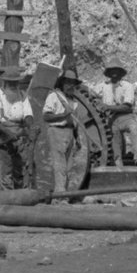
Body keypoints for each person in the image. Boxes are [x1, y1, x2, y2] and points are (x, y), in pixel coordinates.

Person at [39, 62, 87, 193]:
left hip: (70, 133)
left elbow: (75, 122)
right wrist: (62, 115)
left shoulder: (73, 102)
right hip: (57, 132)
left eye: (72, 83)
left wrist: (77, 138)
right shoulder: (54, 97)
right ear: (62, 83)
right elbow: (46, 116)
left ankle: (64, 193)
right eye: (68, 82)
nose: (70, 85)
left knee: (69, 165)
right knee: (59, 165)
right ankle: (59, 195)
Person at [0, 68, 36, 189]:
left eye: (16, 82)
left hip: (20, 136)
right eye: (11, 82)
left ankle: (21, 197)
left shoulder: (22, 95)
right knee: (6, 171)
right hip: (4, 138)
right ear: (5, 82)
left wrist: (30, 127)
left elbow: (28, 114)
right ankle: (8, 199)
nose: (14, 85)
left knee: (21, 169)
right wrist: (9, 134)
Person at [93, 61, 137, 165]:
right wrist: (97, 102)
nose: (114, 72)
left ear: (120, 73)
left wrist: (107, 107)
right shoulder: (103, 86)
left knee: (134, 129)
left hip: (126, 117)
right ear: (108, 73)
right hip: (111, 119)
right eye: (112, 70)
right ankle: (118, 163)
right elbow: (92, 95)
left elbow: (127, 107)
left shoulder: (127, 86)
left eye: (117, 70)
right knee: (114, 140)